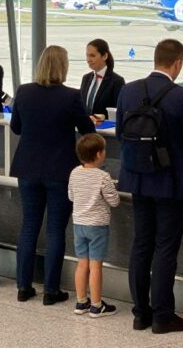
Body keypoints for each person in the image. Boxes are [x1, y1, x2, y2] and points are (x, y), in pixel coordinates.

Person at [116, 39, 183, 334]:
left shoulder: (128, 90)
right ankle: (163, 316)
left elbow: (120, 132)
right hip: (170, 182)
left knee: (141, 244)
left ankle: (140, 313)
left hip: (138, 178)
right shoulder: (181, 96)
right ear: (178, 63)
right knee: (166, 248)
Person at [10, 45, 97, 305]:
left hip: (27, 168)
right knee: (56, 230)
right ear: (63, 66)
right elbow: (88, 130)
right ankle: (51, 290)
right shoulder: (70, 96)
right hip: (60, 170)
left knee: (29, 226)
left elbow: (16, 128)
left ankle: (23, 287)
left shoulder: (24, 92)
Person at [69, 133, 120, 318]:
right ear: (99, 154)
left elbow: (71, 196)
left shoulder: (74, 172)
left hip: (78, 223)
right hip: (97, 226)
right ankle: (97, 305)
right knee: (96, 266)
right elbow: (114, 201)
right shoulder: (103, 177)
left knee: (82, 264)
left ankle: (81, 301)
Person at [80, 38, 126, 118]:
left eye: (92, 56)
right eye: (87, 56)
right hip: (85, 129)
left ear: (104, 56)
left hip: (105, 129)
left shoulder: (117, 81)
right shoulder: (86, 78)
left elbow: (118, 111)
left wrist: (100, 118)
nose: (88, 60)